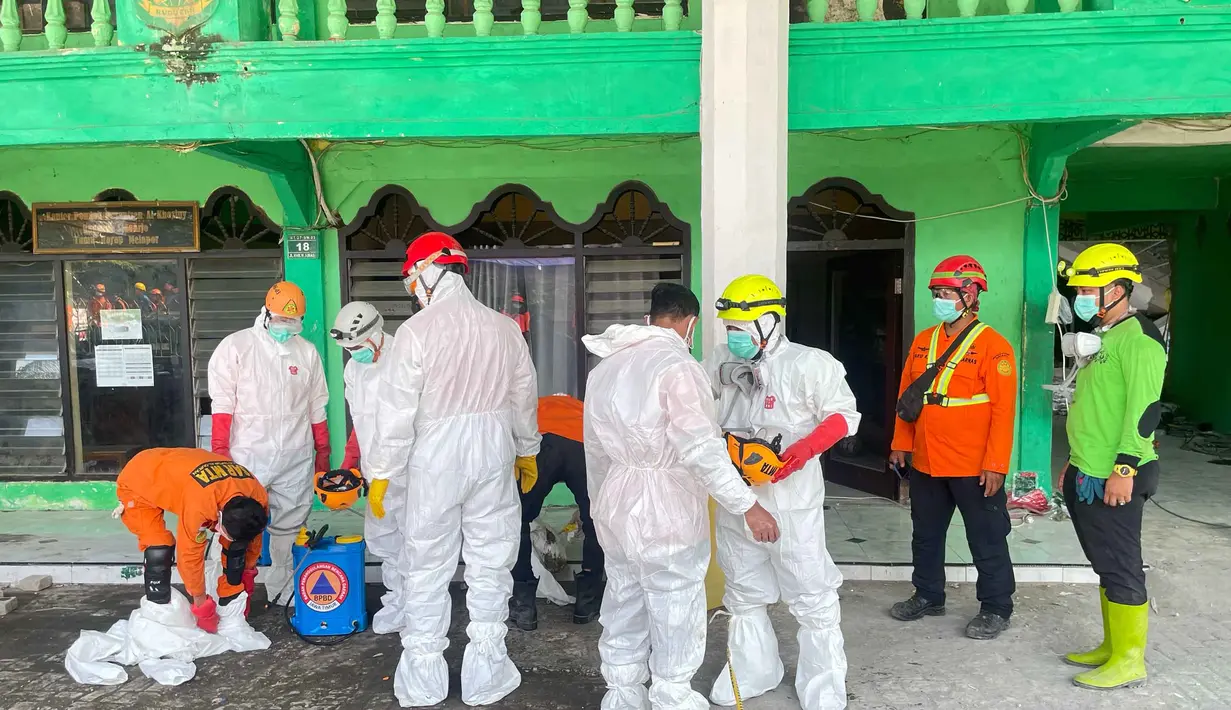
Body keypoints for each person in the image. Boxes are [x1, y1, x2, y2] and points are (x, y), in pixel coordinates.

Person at [583, 282, 780, 710]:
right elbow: (702, 450)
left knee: (623, 597)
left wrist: (600, 507)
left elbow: (594, 451)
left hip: (616, 498)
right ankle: (671, 694)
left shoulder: (604, 369)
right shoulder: (677, 366)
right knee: (674, 600)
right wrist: (748, 506)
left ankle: (622, 695)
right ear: (689, 323)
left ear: (652, 316)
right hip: (665, 502)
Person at [364, 232, 541, 707]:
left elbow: (396, 413)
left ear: (426, 272)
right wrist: (526, 449)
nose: (412, 291)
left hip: (435, 459)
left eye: (410, 281)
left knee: (426, 565)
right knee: (490, 562)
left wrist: (381, 472)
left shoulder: (416, 334)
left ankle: (425, 678)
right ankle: (486, 672)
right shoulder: (503, 328)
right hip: (493, 453)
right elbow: (524, 395)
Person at [705, 274, 861, 710]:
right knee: (743, 587)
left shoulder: (810, 363)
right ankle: (754, 670)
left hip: (791, 498)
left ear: (771, 321)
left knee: (809, 590)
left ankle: (823, 685)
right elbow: (698, 407)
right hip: (736, 494)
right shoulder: (720, 360)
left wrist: (801, 451)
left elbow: (843, 416)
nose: (733, 337)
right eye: (730, 328)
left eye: (742, 329)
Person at [888, 255, 1017, 639]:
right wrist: (900, 444)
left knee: (987, 536)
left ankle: (996, 606)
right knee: (925, 533)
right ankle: (928, 594)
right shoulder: (923, 340)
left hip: (973, 464)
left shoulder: (994, 346)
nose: (939, 299)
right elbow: (907, 396)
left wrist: (996, 464)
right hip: (927, 459)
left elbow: (1003, 411)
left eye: (946, 292)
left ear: (971, 293)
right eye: (936, 293)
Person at [1059, 243, 1165, 691]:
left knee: (1122, 564)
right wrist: (1074, 463)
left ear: (1119, 290)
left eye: (1089, 290)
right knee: (1103, 561)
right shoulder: (1109, 335)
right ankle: (1111, 645)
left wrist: (1124, 469)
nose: (1081, 298)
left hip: (1118, 473)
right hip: (1088, 469)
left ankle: (1129, 659)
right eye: (1078, 290)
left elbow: (1144, 412)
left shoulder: (1139, 338)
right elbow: (1096, 407)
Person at [207, 281, 330, 607]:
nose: (286, 328)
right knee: (236, 526)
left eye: (293, 323)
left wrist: (323, 453)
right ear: (266, 314)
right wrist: (220, 450)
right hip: (248, 457)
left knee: (290, 528)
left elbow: (317, 406)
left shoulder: (306, 352)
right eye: (281, 321)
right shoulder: (237, 347)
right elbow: (222, 403)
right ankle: (230, 595)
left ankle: (283, 591)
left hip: (295, 454)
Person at [114, 447, 269, 632]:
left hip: (176, 470)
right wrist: (201, 605)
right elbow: (189, 556)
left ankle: (229, 595)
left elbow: (253, 541)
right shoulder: (201, 504)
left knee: (237, 547)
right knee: (159, 547)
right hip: (140, 477)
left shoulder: (258, 496)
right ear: (219, 516)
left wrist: (246, 576)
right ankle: (159, 614)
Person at [329, 300, 405, 635]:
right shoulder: (353, 370)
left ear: (376, 335)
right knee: (385, 540)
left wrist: (390, 470)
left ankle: (422, 607)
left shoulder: (404, 361)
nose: (354, 353)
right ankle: (398, 600)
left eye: (358, 346)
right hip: (376, 472)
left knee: (416, 540)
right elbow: (360, 422)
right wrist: (349, 465)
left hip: (409, 471)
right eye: (348, 349)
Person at [508, 393, 605, 631]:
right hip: (579, 444)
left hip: (541, 443)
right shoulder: (583, 407)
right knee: (596, 520)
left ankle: (523, 605)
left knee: (517, 518)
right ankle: (587, 602)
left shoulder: (537, 404)